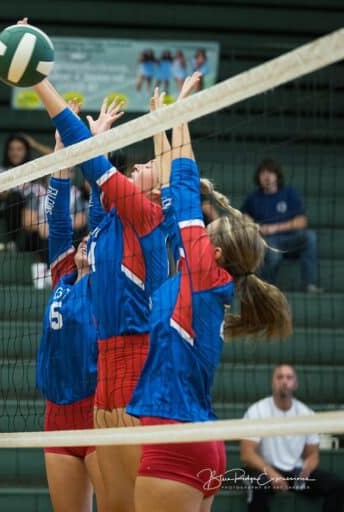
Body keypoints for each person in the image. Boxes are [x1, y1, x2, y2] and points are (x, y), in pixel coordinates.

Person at [127, 73, 292, 512]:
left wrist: (182, 110)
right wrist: (161, 120)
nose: (202, 223)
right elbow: (170, 191)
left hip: (174, 438)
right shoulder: (201, 279)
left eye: (208, 227)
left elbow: (183, 184)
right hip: (198, 441)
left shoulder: (203, 273)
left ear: (214, 249)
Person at [22, 17, 167, 510]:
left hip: (114, 385)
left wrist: (88, 145)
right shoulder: (78, 259)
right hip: (70, 403)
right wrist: (78, 150)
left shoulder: (142, 220)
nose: (137, 171)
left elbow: (105, 186)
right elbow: (61, 219)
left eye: (145, 168)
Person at [35, 100, 119, 512]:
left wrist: (96, 145)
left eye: (94, 238)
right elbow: (59, 220)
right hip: (57, 417)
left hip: (99, 412)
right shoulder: (62, 270)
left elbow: (101, 211)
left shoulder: (111, 281)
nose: (85, 240)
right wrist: (63, 152)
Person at [240, 364, 344, 512]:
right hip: (265, 470)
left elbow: (312, 454)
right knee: (257, 484)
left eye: (289, 377)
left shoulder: (306, 413)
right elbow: (247, 454)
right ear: (272, 382)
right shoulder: (257, 411)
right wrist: (271, 473)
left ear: (295, 383)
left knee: (336, 485)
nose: (284, 381)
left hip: (295, 472)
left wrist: (308, 468)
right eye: (279, 377)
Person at [241, 158, 322, 293]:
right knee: (273, 255)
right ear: (258, 177)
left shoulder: (289, 193)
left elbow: (302, 221)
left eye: (270, 172)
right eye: (263, 173)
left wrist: (274, 228)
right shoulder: (253, 198)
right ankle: (267, 291)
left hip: (290, 239)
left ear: (277, 176)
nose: (267, 176)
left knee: (310, 237)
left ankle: (309, 284)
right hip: (267, 242)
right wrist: (253, 226)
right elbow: (243, 217)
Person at [21, 170, 88, 289]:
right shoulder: (38, 192)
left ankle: (54, 273)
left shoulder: (75, 193)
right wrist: (41, 226)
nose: (65, 173)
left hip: (65, 235)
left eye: (70, 171)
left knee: (78, 233)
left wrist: (57, 226)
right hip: (40, 236)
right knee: (40, 234)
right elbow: (27, 221)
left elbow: (81, 219)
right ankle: (43, 271)